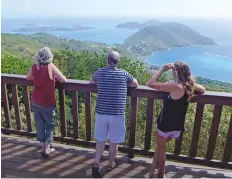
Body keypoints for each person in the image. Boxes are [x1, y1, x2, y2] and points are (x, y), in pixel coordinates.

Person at [146, 62, 205, 178]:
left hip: (164, 126)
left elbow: (150, 84)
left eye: (173, 71)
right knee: (160, 146)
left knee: (162, 154)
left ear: (176, 72)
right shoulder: (189, 86)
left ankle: (160, 175)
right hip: (177, 128)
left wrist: (162, 70)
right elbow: (202, 89)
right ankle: (152, 170)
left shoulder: (174, 86)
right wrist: (192, 83)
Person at [90, 50, 138, 178]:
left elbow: (91, 81)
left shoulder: (100, 72)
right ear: (118, 62)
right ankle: (110, 164)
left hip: (101, 112)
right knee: (114, 142)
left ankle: (96, 163)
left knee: (100, 140)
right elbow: (135, 84)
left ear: (107, 60)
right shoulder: (124, 74)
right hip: (117, 113)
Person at [26, 47, 67, 158]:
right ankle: (47, 149)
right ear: (49, 56)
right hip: (48, 103)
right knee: (49, 125)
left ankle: (43, 147)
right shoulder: (51, 66)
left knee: (39, 124)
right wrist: (53, 79)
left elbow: (27, 77)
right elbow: (64, 80)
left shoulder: (34, 67)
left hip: (36, 101)